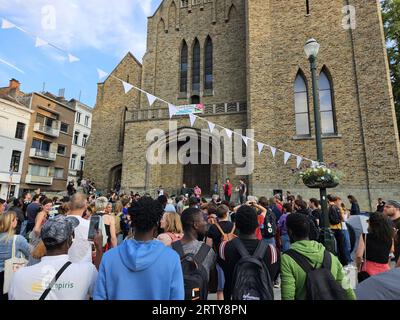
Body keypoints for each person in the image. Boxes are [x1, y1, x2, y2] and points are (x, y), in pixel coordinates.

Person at [93, 197, 184, 300]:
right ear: (156, 226)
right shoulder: (171, 258)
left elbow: (99, 296)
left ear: (132, 224)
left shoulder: (109, 258)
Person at [9, 215, 100, 300]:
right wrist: (99, 249)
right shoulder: (87, 271)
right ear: (70, 241)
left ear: (43, 241)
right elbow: (99, 292)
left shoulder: (19, 275)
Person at [280, 213, 356, 300]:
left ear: (290, 231)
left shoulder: (287, 259)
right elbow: (347, 288)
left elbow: (287, 296)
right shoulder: (330, 255)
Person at [219, 204, 280, 300]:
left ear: (236, 225)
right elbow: (273, 276)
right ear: (257, 224)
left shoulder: (224, 247)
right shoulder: (272, 251)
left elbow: (222, 266)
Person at [206, 204, 235, 300]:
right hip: (233, 259)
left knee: (220, 289)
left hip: (219, 259)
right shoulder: (234, 226)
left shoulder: (213, 228)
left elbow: (208, 245)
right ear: (227, 213)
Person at [0, 211, 31, 300]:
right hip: (9, 275)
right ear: (11, 222)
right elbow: (31, 253)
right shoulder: (18, 239)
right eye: (16, 219)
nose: (17, 221)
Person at [355, 212, 394, 278]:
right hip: (385, 270)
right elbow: (391, 251)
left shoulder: (365, 236)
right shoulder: (389, 237)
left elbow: (359, 255)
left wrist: (358, 267)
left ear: (371, 223)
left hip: (368, 270)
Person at [67, 193, 94, 265]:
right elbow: (96, 247)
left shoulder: (57, 222)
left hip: (59, 267)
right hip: (83, 267)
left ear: (70, 205)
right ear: (86, 206)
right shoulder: (90, 225)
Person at [328, 195, 348, 266]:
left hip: (333, 228)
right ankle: (344, 262)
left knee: (336, 247)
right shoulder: (336, 207)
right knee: (341, 246)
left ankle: (340, 261)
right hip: (337, 228)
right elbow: (341, 219)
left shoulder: (330, 207)